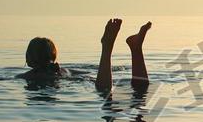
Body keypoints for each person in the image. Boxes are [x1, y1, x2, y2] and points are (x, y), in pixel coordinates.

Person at [17, 18, 152, 92]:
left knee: (104, 90)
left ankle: (107, 48)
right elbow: (89, 73)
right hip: (83, 80)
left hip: (79, 86)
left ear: (29, 59)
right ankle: (136, 50)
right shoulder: (63, 70)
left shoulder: (25, 77)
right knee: (141, 88)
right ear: (53, 55)